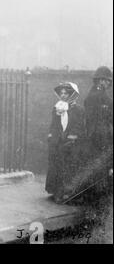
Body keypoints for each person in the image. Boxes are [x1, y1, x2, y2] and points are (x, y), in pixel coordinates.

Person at [45, 82, 87, 203]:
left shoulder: (78, 110)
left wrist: (71, 136)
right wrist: (52, 136)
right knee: (57, 165)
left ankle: (68, 193)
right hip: (58, 141)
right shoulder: (57, 107)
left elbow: (79, 126)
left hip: (72, 142)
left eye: (66, 93)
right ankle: (57, 191)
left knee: (69, 166)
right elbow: (54, 124)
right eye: (61, 93)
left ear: (72, 94)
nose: (63, 95)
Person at [81, 66, 113, 200]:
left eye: (108, 81)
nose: (106, 83)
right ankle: (96, 193)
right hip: (96, 135)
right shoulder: (95, 96)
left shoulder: (102, 97)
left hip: (103, 134)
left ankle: (99, 192)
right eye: (104, 80)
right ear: (98, 81)